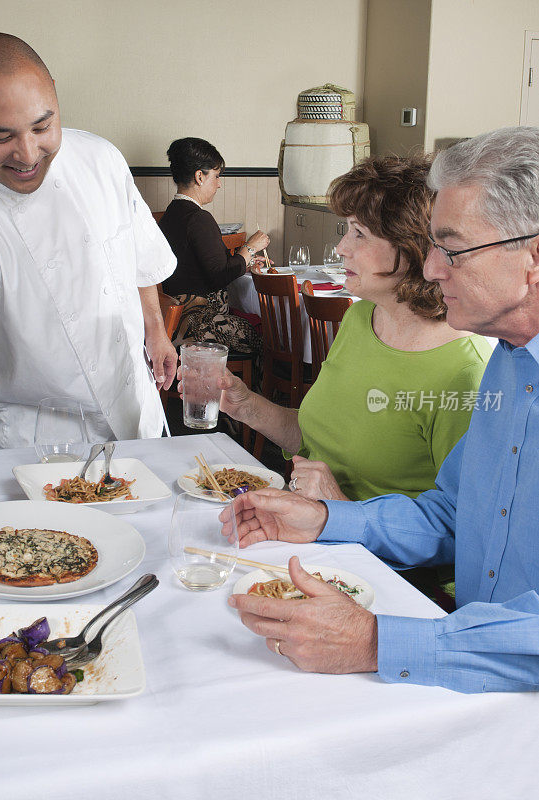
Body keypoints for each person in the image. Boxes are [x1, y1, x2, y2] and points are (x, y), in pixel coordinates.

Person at [223, 126, 539, 694]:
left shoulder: (471, 361)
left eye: (453, 249)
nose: (434, 269)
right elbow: (450, 514)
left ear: (533, 257)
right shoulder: (511, 364)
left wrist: (377, 642)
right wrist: (325, 521)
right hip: (461, 671)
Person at [0, 33, 177, 518]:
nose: (27, 154)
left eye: (42, 126)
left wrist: (156, 331)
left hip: (137, 413)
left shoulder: (102, 159)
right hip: (45, 445)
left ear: (54, 93)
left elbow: (138, 258)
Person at [217, 155, 491, 507]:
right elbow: (317, 439)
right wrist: (246, 406)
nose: (341, 247)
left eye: (359, 234)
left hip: (374, 561)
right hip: (308, 531)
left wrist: (338, 505)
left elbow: (460, 530)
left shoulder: (464, 373)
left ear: (413, 249)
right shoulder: (360, 318)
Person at [160, 137, 269, 354]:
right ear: (200, 176)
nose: (219, 184)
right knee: (272, 334)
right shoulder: (198, 218)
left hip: (175, 319)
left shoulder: (171, 214)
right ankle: (261, 387)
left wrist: (245, 261)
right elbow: (219, 275)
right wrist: (250, 247)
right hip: (199, 323)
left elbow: (200, 266)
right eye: (217, 176)